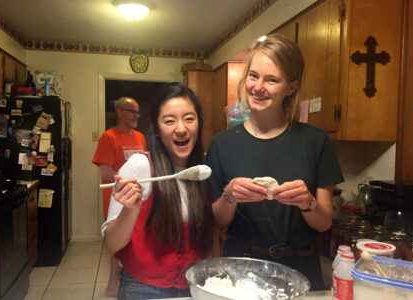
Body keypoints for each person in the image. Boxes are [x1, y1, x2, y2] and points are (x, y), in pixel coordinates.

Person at [205, 34, 344, 291]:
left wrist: (307, 202)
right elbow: (218, 221)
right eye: (254, 75)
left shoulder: (315, 140)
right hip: (242, 269)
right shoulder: (222, 144)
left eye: (272, 80)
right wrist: (229, 195)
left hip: (301, 268)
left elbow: (324, 222)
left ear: (291, 87)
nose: (258, 87)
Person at [101, 82, 213, 299]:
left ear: (199, 123)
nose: (181, 128)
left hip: (191, 286)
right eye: (169, 121)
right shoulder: (141, 166)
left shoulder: (201, 171)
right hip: (142, 289)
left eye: (189, 118)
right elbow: (112, 244)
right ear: (157, 130)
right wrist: (130, 210)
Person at [92, 97, 146, 297]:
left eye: (137, 111)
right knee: (118, 243)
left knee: (134, 241)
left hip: (138, 200)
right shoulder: (109, 137)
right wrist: (130, 179)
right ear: (120, 112)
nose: (137, 115)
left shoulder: (140, 137)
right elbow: (106, 175)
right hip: (118, 200)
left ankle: (130, 280)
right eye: (132, 111)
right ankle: (113, 284)